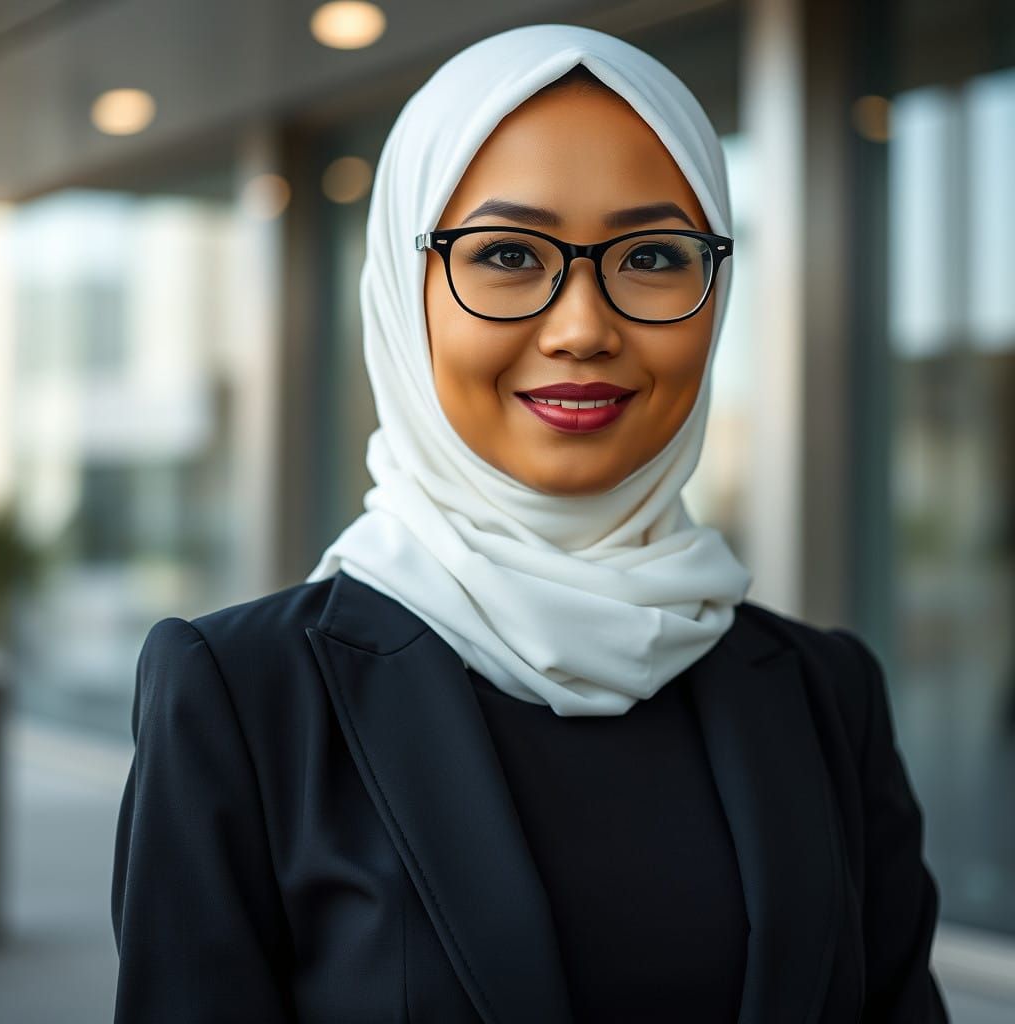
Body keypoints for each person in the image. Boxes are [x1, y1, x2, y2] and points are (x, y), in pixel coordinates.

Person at [110, 23, 950, 1024]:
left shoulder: (824, 696)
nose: (584, 325)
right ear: (403, 287)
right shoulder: (246, 699)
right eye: (507, 253)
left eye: (649, 255)